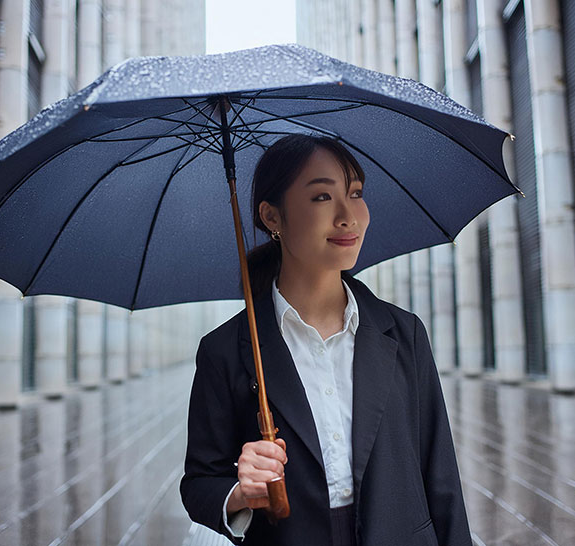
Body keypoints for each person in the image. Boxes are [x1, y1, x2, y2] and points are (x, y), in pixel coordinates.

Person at [180, 134, 472, 546]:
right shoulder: (226, 350)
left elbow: (441, 480)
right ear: (272, 217)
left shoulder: (403, 332)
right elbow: (199, 484)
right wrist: (241, 492)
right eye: (321, 197)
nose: (348, 216)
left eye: (355, 193)